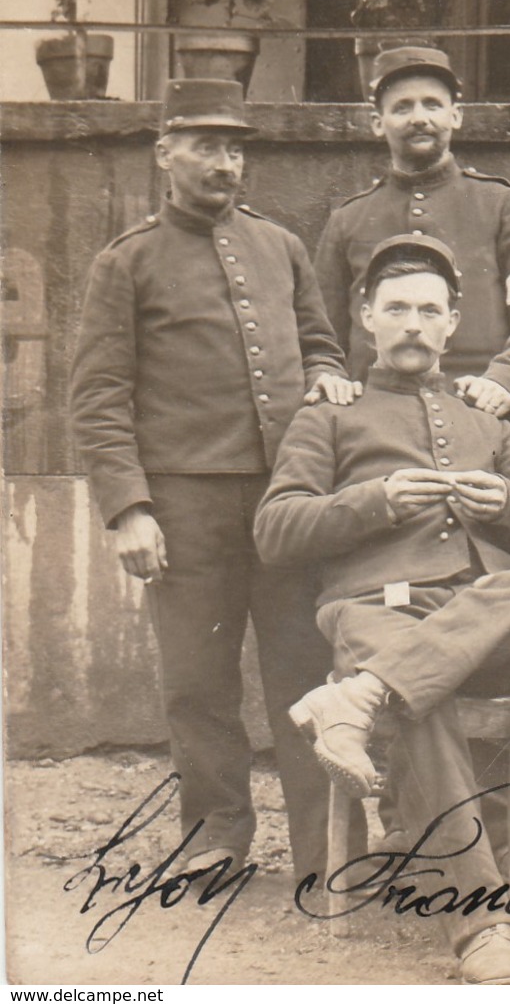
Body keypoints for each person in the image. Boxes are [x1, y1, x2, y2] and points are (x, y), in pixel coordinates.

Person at [255, 234, 510, 985]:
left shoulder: (487, 421)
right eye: (395, 307)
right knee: (420, 695)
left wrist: (509, 506)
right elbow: (275, 531)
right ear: (366, 316)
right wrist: (372, 501)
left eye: (429, 310)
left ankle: (359, 699)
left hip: (478, 615)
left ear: (453, 322)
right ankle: (481, 921)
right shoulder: (330, 415)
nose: (411, 323)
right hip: (375, 610)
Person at [68, 79, 353, 884]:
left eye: (235, 148)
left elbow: (320, 342)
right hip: (185, 505)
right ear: (165, 153)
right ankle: (214, 836)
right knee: (197, 678)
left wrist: (328, 377)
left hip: (285, 500)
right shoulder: (126, 261)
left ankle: (323, 848)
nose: (225, 163)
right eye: (205, 145)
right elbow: (97, 396)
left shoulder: (280, 245)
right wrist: (129, 507)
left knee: (306, 669)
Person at [314, 45, 510, 456]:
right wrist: (329, 377)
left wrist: (504, 382)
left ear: (456, 115)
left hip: (485, 422)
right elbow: (320, 335)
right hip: (374, 435)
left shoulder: (503, 205)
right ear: (378, 123)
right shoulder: (349, 219)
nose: (419, 118)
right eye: (403, 107)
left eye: (433, 104)